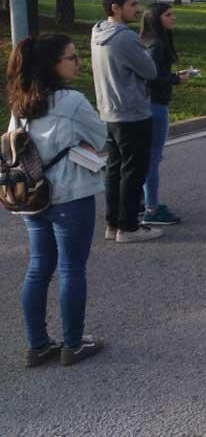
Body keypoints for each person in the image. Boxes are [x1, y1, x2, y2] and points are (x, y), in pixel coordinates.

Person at [8, 34, 109, 366]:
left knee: (38, 269)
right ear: (53, 65)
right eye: (71, 58)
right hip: (70, 195)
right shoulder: (72, 101)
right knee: (71, 269)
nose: (78, 63)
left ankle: (37, 345)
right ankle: (73, 343)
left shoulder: (20, 103)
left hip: (32, 196)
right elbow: (99, 136)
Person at [92, 0, 163, 243]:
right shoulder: (125, 37)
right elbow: (150, 70)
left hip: (109, 111)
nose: (137, 9)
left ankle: (113, 223)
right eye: (132, 4)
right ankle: (129, 227)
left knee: (114, 169)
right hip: (132, 112)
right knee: (134, 171)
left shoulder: (98, 31)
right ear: (116, 7)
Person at [140, 2, 190, 226]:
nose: (173, 18)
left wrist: (172, 75)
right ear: (156, 18)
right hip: (155, 105)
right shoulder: (157, 44)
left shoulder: (151, 41)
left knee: (148, 157)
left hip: (151, 103)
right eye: (168, 15)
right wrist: (175, 79)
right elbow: (150, 76)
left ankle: (144, 202)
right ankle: (151, 207)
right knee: (152, 158)